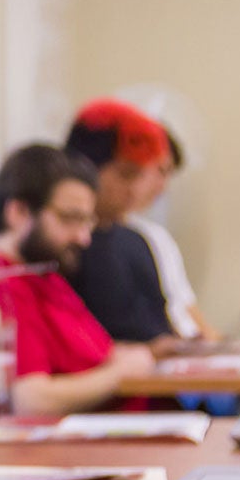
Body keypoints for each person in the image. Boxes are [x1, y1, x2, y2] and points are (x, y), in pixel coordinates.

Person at [0, 144, 155, 416]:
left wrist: (128, 359)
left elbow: (99, 355)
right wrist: (120, 373)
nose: (83, 238)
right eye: (70, 219)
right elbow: (30, 399)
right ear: (19, 212)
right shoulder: (3, 285)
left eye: (87, 222)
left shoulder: (45, 274)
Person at [63, 98, 183, 353]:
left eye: (140, 175)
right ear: (86, 167)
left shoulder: (137, 241)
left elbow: (162, 329)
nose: (135, 189)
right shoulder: (61, 249)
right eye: (126, 175)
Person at [121, 127, 219, 342]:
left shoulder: (156, 237)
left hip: (187, 350)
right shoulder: (96, 240)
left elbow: (188, 310)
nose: (162, 187)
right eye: (160, 171)